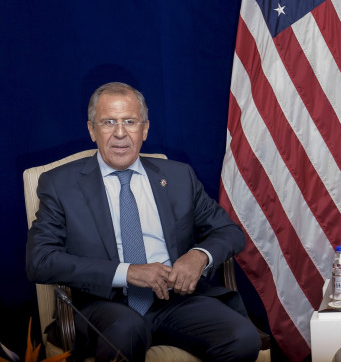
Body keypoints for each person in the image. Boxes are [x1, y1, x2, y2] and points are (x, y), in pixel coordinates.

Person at [26, 82, 262, 361]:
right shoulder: (59, 184)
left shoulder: (178, 176)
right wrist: (127, 272)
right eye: (108, 122)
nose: (120, 133)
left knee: (243, 338)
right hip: (104, 305)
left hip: (175, 300)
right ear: (92, 130)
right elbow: (40, 260)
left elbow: (229, 232)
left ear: (145, 129)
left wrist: (199, 256)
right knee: (127, 330)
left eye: (129, 121)